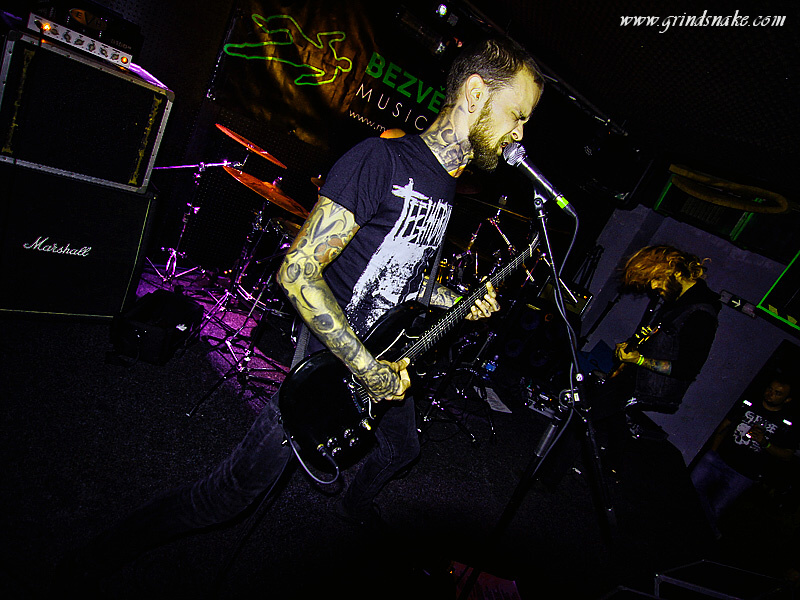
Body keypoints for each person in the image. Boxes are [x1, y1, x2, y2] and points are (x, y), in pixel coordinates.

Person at [56, 36, 544, 586]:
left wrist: (454, 300)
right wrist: (366, 368)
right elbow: (296, 272)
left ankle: (352, 510)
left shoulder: (448, 189)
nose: (520, 134)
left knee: (402, 446)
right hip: (331, 362)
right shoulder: (381, 159)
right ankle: (97, 555)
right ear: (476, 94)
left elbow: (405, 274)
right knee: (228, 495)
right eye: (518, 115)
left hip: (383, 349)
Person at [590, 245, 721, 474]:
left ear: (677, 272)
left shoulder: (701, 314)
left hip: (650, 385)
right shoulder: (676, 302)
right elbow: (657, 341)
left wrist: (639, 360)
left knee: (589, 411)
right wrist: (632, 347)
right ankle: (612, 467)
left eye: (657, 279)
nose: (652, 286)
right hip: (635, 377)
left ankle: (551, 475)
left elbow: (687, 369)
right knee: (610, 414)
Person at [690, 374, 798, 537]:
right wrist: (712, 451)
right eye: (770, 389)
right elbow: (725, 425)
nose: (770, 394)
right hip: (718, 459)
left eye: (778, 393)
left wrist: (765, 443)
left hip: (743, 474)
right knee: (691, 489)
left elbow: (787, 455)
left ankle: (701, 536)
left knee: (717, 508)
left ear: (787, 399)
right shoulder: (749, 404)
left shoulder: (787, 424)